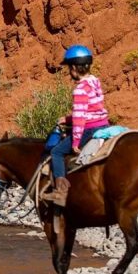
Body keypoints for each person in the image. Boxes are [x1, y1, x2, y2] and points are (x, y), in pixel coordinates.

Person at [43, 44, 110, 207]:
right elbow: (92, 108)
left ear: (73, 68)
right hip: (104, 124)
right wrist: (67, 119)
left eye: (69, 68)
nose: (69, 72)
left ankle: (60, 193)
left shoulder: (80, 89)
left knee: (57, 152)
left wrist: (75, 142)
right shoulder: (95, 81)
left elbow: (81, 118)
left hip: (90, 128)